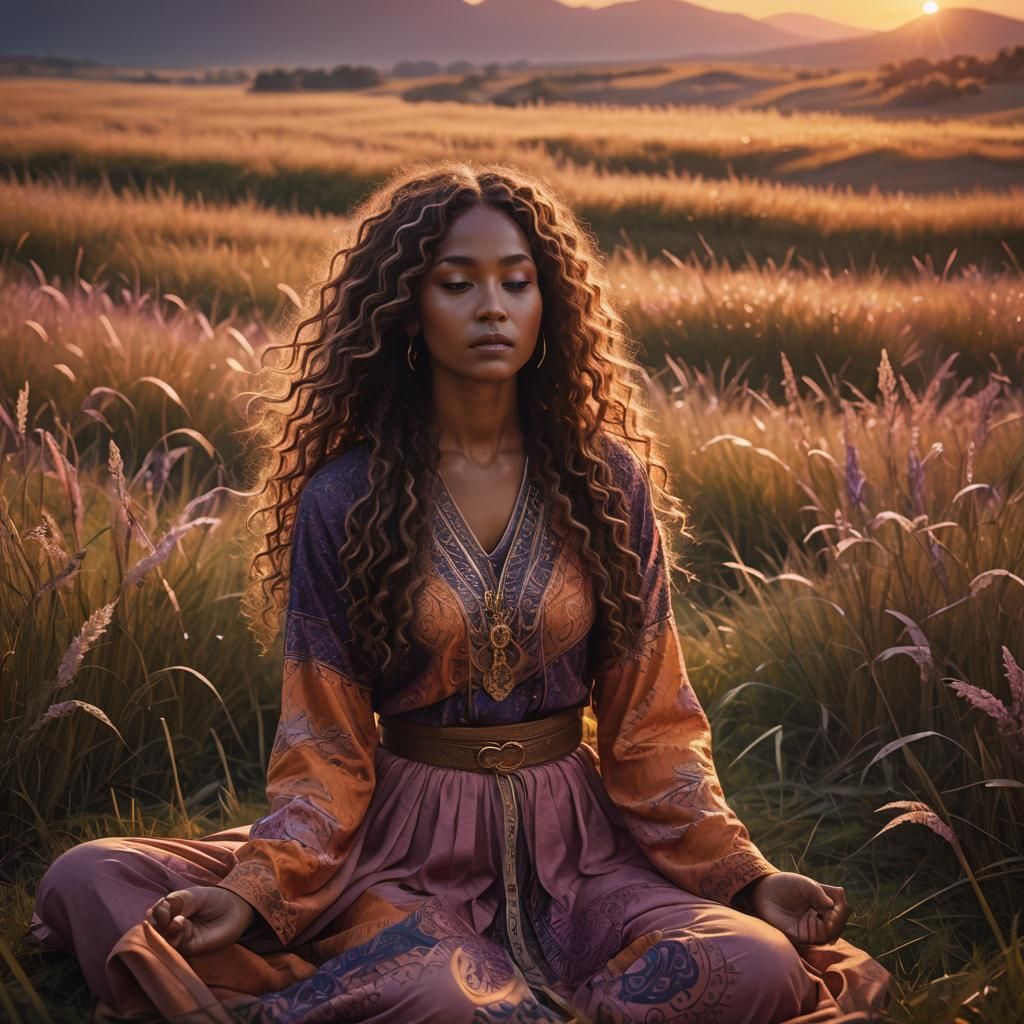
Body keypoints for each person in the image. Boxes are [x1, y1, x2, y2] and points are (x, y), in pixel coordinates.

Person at [31, 161, 891, 1024]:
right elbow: (323, 742)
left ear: (548, 302)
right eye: (457, 283)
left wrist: (747, 877)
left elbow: (655, 726)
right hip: (400, 849)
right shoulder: (346, 495)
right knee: (93, 875)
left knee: (757, 962)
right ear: (408, 305)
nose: (493, 306)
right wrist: (258, 892)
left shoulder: (603, 483)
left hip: (581, 852)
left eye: (518, 282)